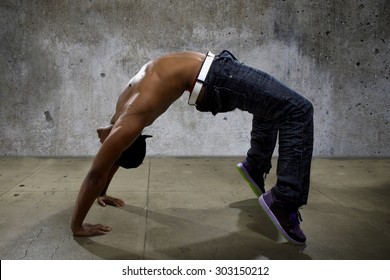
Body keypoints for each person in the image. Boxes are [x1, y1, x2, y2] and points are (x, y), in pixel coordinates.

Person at [71, 50, 314, 246]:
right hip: (215, 78)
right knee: (299, 110)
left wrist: (101, 191)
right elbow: (99, 170)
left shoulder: (122, 124)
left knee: (273, 105)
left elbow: (109, 161)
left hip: (216, 71)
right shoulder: (124, 118)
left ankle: (256, 165)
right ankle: (284, 200)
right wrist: (77, 226)